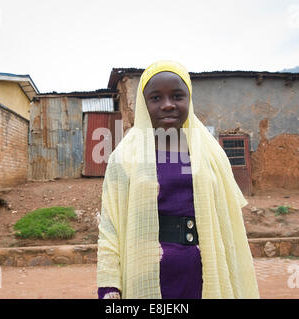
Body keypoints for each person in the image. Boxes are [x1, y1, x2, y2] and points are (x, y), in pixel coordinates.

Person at [96, 60, 259, 299]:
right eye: (156, 98)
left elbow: (228, 219)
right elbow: (110, 228)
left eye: (177, 96)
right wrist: (109, 284)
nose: (168, 105)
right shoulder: (124, 157)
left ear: (189, 100)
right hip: (146, 275)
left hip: (204, 274)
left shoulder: (210, 153)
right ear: (144, 104)